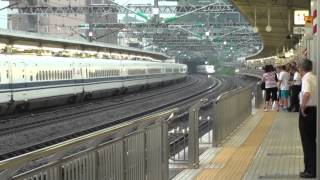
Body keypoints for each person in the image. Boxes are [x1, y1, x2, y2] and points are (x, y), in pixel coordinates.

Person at [298, 59, 317, 178]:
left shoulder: (306, 79)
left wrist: (302, 107)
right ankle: (314, 168)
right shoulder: (314, 77)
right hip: (315, 110)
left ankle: (309, 171)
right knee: (312, 141)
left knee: (307, 142)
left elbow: (306, 94)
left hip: (308, 111)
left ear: (301, 68)